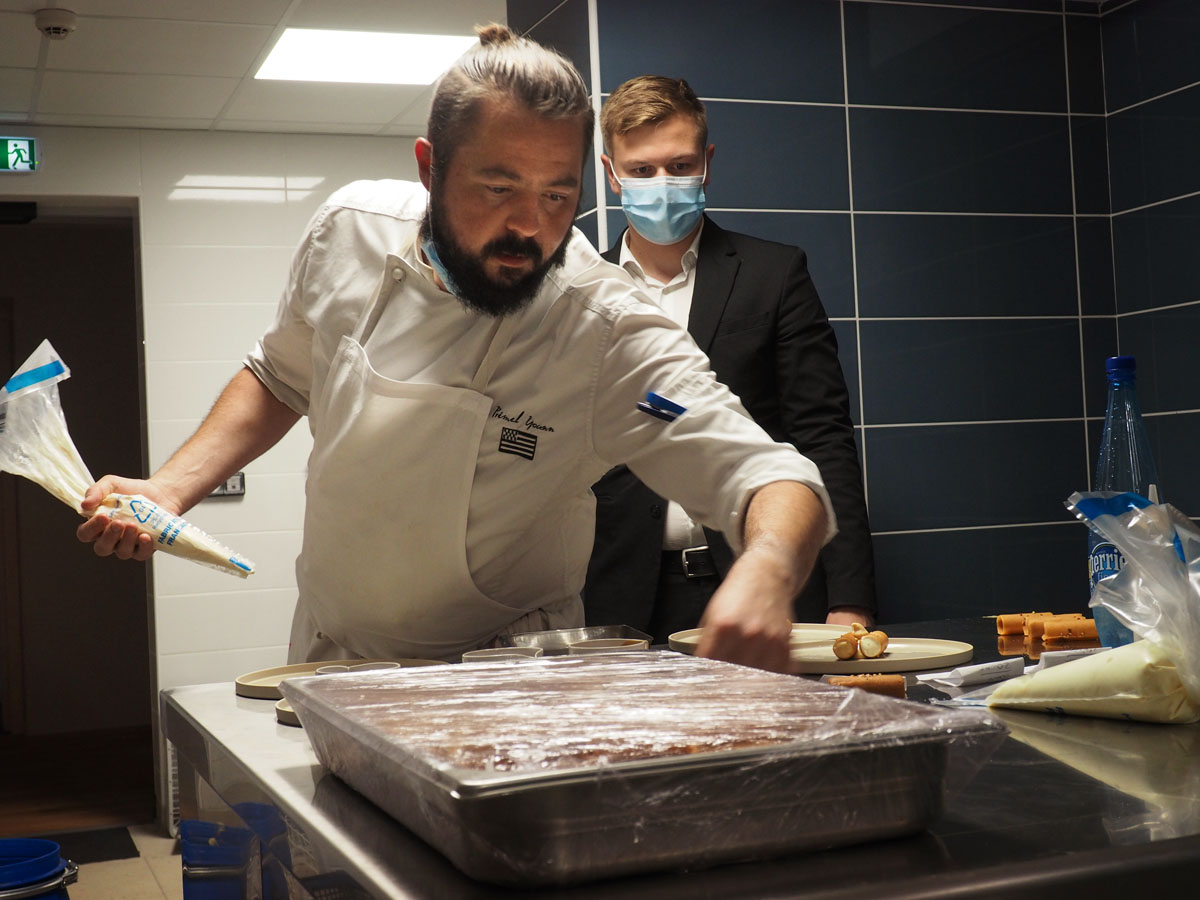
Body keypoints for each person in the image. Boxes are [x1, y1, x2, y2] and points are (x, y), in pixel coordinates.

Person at [75, 27, 836, 673]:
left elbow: (772, 475)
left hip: (500, 673)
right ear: (429, 168)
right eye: (498, 188)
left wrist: (768, 567)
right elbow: (281, 375)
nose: (529, 228)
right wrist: (172, 487)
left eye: (557, 195)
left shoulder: (604, 333)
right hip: (331, 650)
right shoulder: (349, 231)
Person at [585, 76, 876, 642]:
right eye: (642, 170)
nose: (662, 184)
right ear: (610, 170)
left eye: (680, 164)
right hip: (615, 596)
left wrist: (849, 599)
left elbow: (823, 440)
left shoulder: (774, 276)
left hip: (758, 586)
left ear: (707, 163)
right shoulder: (582, 292)